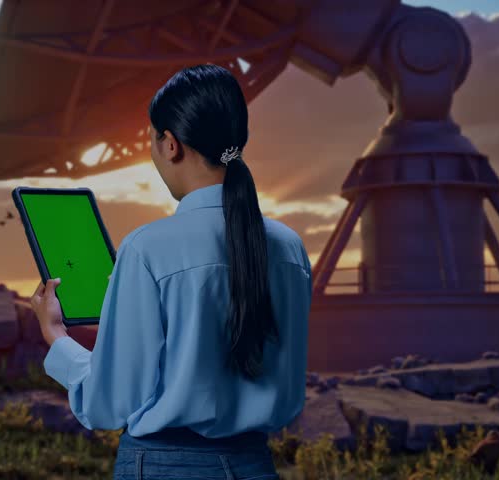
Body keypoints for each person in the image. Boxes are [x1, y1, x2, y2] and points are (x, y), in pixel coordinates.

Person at [30, 63, 311, 479]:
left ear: (171, 145)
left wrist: (56, 336)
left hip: (164, 465)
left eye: (151, 141)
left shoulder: (147, 249)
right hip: (254, 464)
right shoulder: (290, 248)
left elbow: (108, 403)